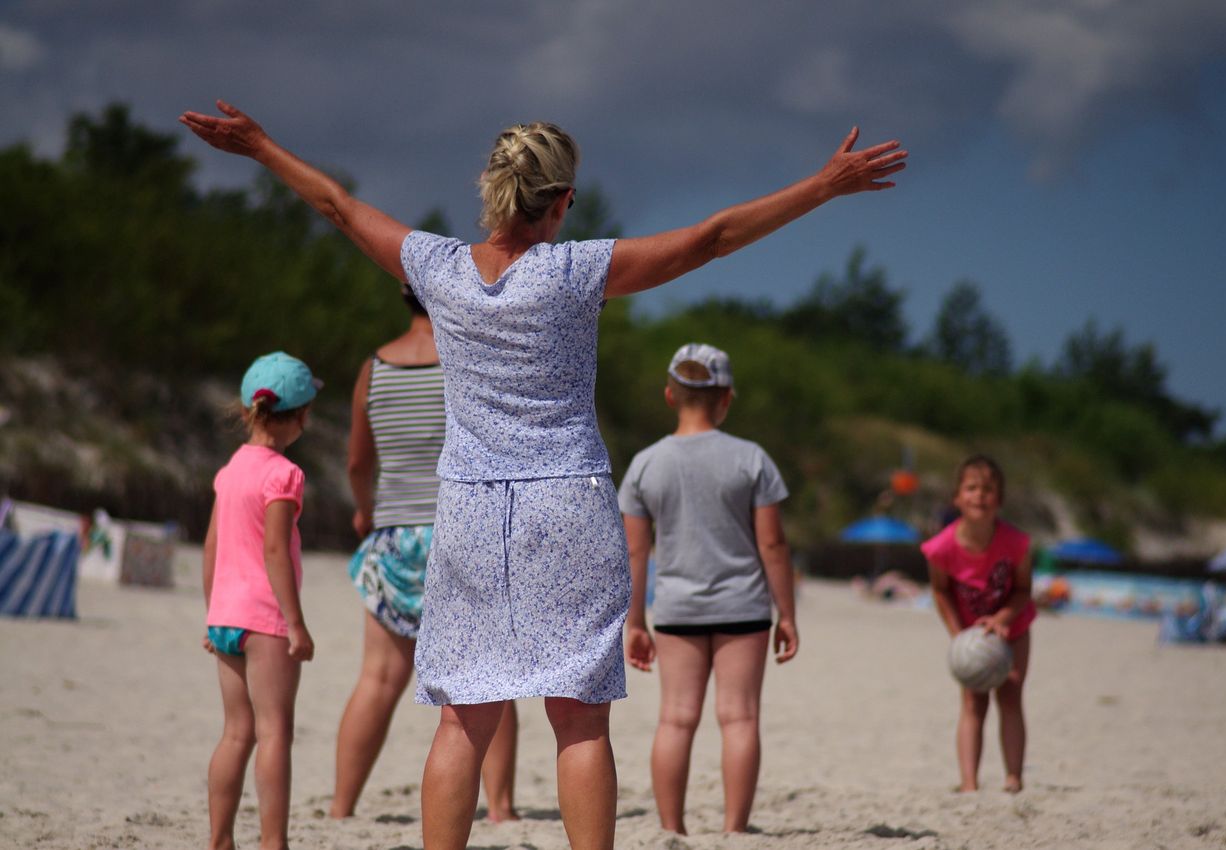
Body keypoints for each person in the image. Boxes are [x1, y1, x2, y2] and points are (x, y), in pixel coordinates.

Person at [180, 99, 905, 850]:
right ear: (560, 201)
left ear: (493, 191)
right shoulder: (574, 271)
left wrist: (261, 145)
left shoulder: (438, 269)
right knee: (580, 716)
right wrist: (822, 186)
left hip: (466, 509)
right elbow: (711, 239)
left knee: (463, 715)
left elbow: (336, 206)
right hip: (566, 500)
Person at [330, 286, 519, 821]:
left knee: (378, 679)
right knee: (489, 678)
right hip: (461, 529)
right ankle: (502, 809)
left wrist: (367, 511)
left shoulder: (373, 367)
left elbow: (357, 462)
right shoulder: (466, 359)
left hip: (394, 535)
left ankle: (341, 807)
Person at [618, 343, 799, 835]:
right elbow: (774, 545)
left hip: (677, 608)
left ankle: (672, 829)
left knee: (676, 720)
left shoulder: (646, 465)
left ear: (669, 396)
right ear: (726, 398)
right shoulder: (751, 459)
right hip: (743, 606)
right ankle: (734, 829)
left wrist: (635, 622)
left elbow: (636, 554)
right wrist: (787, 614)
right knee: (738, 718)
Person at [202, 351, 320, 850]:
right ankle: (274, 842)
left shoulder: (230, 471)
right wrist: (295, 623)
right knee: (274, 733)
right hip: (264, 620)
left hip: (226, 616)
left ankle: (220, 839)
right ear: (296, 418)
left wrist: (212, 614)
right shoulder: (283, 475)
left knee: (236, 733)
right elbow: (275, 550)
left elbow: (211, 546)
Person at [921, 454, 1034, 794]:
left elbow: (1023, 590)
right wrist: (960, 637)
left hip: (1012, 628)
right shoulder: (941, 547)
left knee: (1011, 695)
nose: (980, 495)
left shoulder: (1017, 544)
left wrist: (1002, 619)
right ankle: (969, 782)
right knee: (973, 701)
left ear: (999, 499)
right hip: (970, 635)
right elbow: (940, 591)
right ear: (957, 497)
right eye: (971, 488)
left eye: (988, 489)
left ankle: (1013, 778)